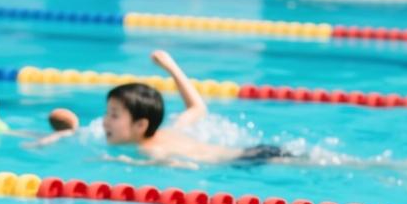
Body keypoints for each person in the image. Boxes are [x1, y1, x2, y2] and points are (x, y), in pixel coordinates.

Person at [100, 49, 291, 165]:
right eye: (107, 113)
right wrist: (171, 67)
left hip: (249, 161)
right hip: (254, 153)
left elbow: (185, 166)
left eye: (114, 116)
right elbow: (197, 107)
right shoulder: (170, 130)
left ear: (141, 125)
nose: (105, 121)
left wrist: (123, 161)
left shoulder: (151, 150)